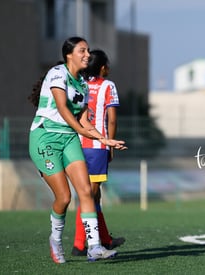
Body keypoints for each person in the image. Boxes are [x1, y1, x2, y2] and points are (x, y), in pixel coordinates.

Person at [28, 37, 127, 264]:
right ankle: (55, 240)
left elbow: (84, 120)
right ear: (69, 55)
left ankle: (94, 247)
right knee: (63, 197)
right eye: (82, 50)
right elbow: (64, 110)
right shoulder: (57, 74)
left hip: (70, 139)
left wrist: (105, 140)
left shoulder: (82, 83)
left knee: (85, 191)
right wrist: (85, 131)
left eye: (88, 51)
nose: (87, 55)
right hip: (45, 138)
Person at [72, 49, 125, 256]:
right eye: (108, 64)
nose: (109, 68)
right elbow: (111, 119)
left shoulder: (80, 84)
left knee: (94, 194)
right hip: (96, 147)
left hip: (76, 144)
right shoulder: (108, 86)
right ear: (102, 67)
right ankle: (79, 244)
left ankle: (105, 239)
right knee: (89, 195)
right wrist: (110, 145)